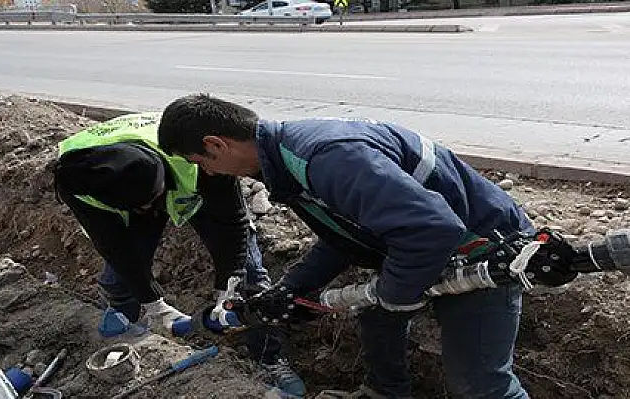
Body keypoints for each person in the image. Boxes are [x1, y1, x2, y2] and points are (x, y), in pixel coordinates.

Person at [157, 93, 534, 399]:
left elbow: (430, 229)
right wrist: (293, 288)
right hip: (431, 244)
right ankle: (385, 391)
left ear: (215, 144)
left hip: (484, 249)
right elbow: (347, 237)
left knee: (480, 384)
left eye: (199, 163)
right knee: (375, 315)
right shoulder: (286, 160)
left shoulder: (325, 156)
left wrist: (394, 295)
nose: (206, 173)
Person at [51, 112, 305, 397]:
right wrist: (153, 303)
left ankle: (269, 357)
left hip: (187, 180)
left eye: (153, 201)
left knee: (250, 276)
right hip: (125, 195)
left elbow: (231, 224)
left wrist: (228, 285)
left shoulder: (198, 156)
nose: (151, 211)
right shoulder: (80, 180)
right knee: (125, 267)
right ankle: (126, 321)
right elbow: (114, 246)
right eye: (143, 208)